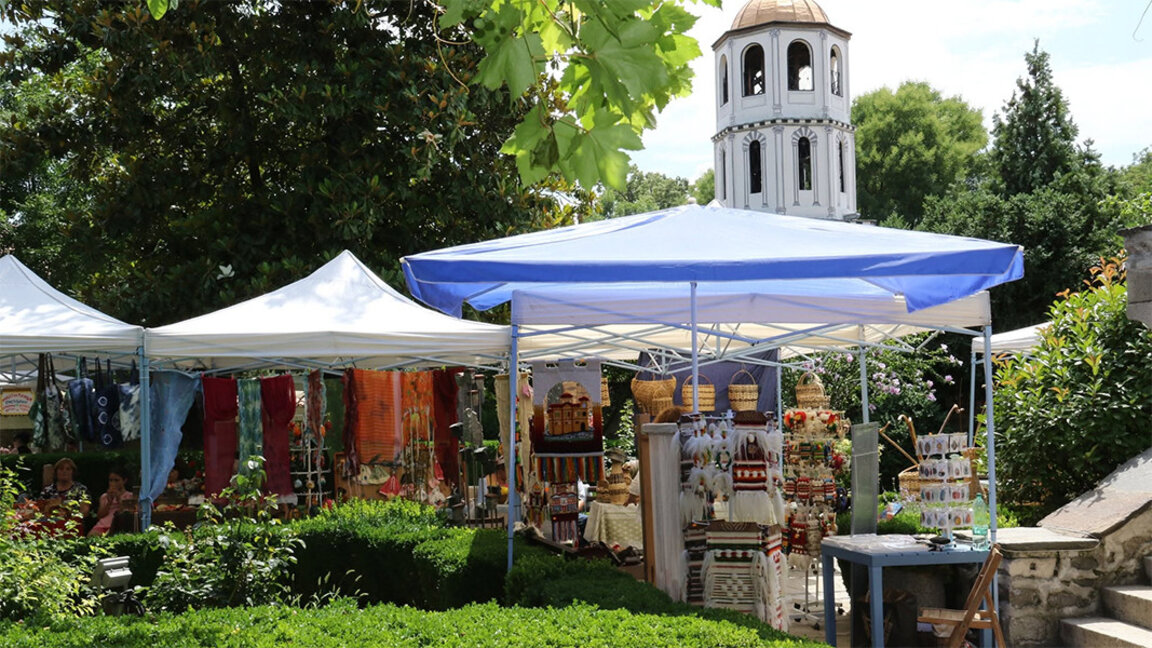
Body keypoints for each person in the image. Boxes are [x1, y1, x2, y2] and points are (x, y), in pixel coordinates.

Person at [88, 467, 135, 537]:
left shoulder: (129, 496)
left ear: (124, 481)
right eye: (111, 480)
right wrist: (109, 502)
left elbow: (127, 514)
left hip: (117, 525)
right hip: (102, 525)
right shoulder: (104, 496)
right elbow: (100, 515)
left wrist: (119, 498)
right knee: (90, 536)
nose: (113, 483)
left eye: (116, 480)